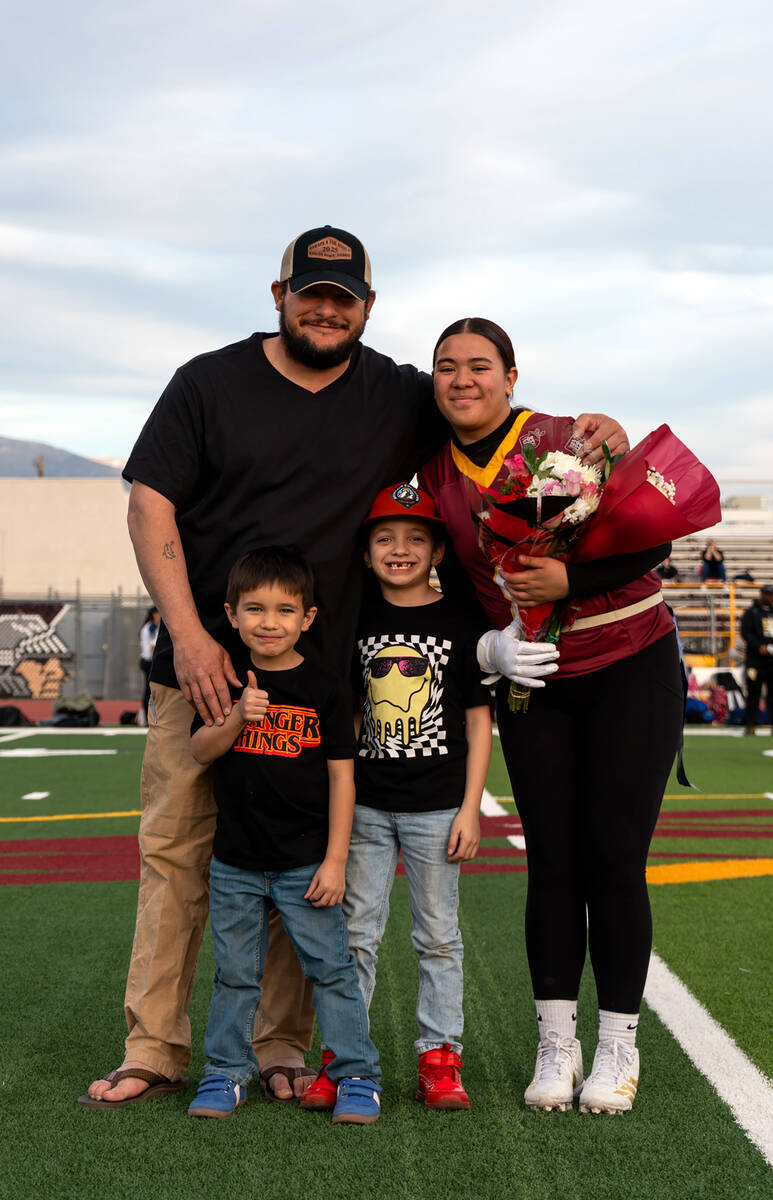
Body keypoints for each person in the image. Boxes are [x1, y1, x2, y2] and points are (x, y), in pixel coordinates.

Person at [79, 223, 627, 1108]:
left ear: (368, 308)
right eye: (312, 294)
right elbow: (151, 503)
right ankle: (156, 1047)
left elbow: (485, 409)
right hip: (207, 668)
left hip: (321, 683)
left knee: (303, 867)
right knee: (178, 855)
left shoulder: (396, 392)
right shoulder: (207, 382)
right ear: (278, 296)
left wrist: (589, 430)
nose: (327, 311)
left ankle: (283, 1046)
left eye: (345, 299)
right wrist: (187, 634)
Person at [419, 317, 684, 1115]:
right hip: (532, 673)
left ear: (511, 376)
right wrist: (487, 648)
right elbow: (455, 593)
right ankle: (556, 1044)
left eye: (479, 366)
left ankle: (618, 1048)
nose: (462, 379)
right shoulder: (431, 472)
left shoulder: (567, 437)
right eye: (446, 367)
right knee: (554, 863)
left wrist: (572, 585)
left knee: (613, 858)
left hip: (629, 660)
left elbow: (650, 535)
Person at [301, 483, 492, 1113]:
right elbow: (351, 715)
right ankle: (344, 1058)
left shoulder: (459, 620)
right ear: (364, 552)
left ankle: (440, 1058)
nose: (399, 549)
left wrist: (471, 806)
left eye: (415, 538)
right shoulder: (357, 618)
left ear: (438, 548)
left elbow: (475, 718)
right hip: (368, 806)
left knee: (438, 937)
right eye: (384, 537)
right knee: (355, 934)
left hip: (439, 806)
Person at [187, 546, 381, 1124]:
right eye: (255, 609)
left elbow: (343, 777)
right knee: (235, 975)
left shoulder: (324, 687)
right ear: (231, 614)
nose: (269, 622)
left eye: (283, 610)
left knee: (332, 970)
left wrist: (336, 859)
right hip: (236, 864)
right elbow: (199, 750)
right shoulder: (223, 683)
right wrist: (234, 717)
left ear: (307, 619)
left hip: (305, 862)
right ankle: (225, 1072)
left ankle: (357, 1075)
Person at [740, 584, 773, 735]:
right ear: (761, 594)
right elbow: (745, 633)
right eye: (767, 594)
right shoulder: (751, 613)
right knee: (753, 693)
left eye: (772, 594)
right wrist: (759, 646)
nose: (770, 597)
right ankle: (751, 724)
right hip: (755, 660)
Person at [138, 605, 160, 717]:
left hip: (149, 661)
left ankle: (149, 714)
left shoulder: (152, 627)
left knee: (151, 689)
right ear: (154, 615)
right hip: (148, 662)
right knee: (149, 689)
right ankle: (147, 714)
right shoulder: (151, 628)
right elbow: (153, 648)